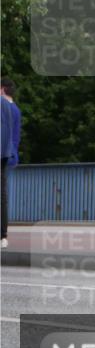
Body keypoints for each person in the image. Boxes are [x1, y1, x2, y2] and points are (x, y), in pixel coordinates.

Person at [1, 78, 22, 250]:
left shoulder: (5, 109)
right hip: (11, 156)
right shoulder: (15, 109)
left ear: (2, 90)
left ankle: (3, 235)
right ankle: (3, 235)